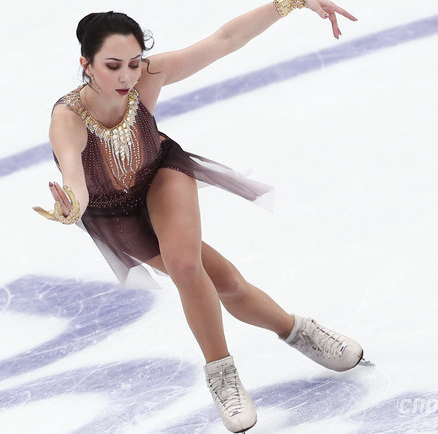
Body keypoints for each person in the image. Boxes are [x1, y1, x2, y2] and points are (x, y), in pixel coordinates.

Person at [34, 1, 363, 432]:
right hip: (115, 214)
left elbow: (225, 40)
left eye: (133, 62)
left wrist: (289, 3)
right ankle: (298, 330)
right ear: (86, 64)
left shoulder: (147, 77)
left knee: (186, 267)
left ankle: (221, 375)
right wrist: (71, 207)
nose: (127, 77)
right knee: (225, 282)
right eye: (113, 66)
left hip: (160, 175)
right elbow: (74, 178)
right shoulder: (67, 118)